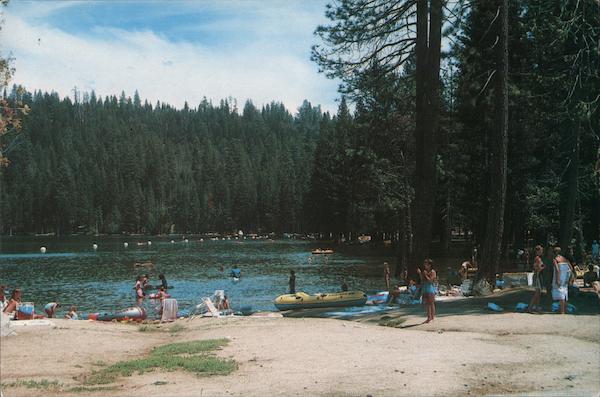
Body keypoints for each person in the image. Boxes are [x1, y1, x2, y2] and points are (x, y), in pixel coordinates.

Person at [552, 247, 573, 314]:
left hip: (559, 277)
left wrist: (557, 279)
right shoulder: (565, 259)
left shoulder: (555, 259)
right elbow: (571, 268)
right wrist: (569, 278)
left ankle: (562, 311)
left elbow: (557, 270)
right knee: (565, 294)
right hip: (565, 278)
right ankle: (565, 310)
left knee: (561, 295)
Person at [417, 259, 437, 323]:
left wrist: (425, 275)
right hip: (425, 288)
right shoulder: (424, 271)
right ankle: (428, 317)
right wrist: (420, 274)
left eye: (426, 264)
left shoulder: (433, 272)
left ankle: (432, 317)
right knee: (427, 304)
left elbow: (430, 281)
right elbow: (422, 280)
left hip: (430, 288)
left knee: (431, 303)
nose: (425, 265)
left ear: (430, 265)